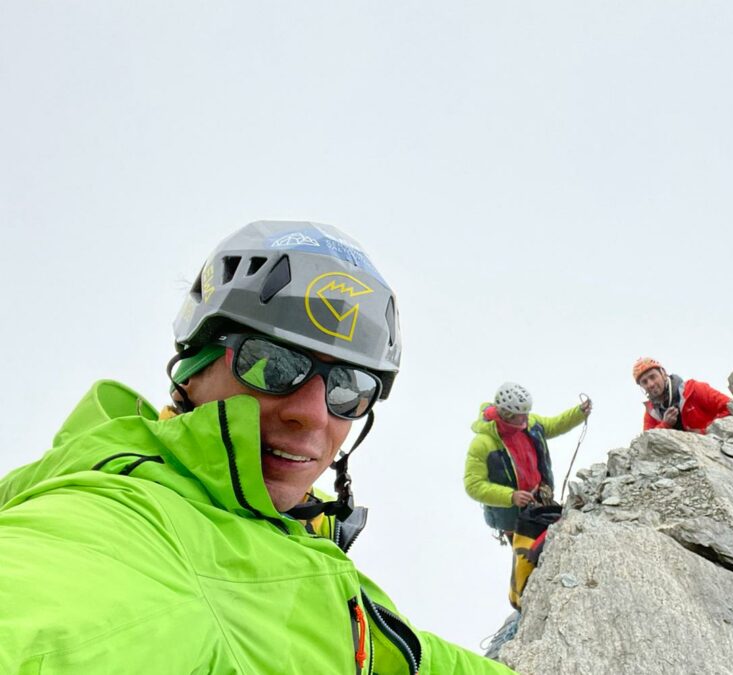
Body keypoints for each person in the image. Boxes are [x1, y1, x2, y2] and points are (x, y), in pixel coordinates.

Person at [0, 220, 514, 674]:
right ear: (193, 368)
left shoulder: (282, 542)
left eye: (349, 388)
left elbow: (398, 653)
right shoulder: (128, 527)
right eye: (271, 363)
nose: (312, 413)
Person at [464, 382, 590, 539]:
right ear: (508, 414)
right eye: (521, 414)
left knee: (541, 550)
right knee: (525, 557)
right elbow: (473, 485)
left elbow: (553, 425)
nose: (526, 417)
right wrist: (511, 496)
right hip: (512, 517)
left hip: (539, 500)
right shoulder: (482, 444)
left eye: (527, 412)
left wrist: (578, 413)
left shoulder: (529, 424)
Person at [633, 356, 733, 433]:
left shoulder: (693, 389)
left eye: (653, 377)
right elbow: (647, 444)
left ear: (663, 373)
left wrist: (704, 432)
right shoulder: (652, 412)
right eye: (644, 382)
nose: (650, 384)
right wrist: (665, 424)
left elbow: (731, 408)